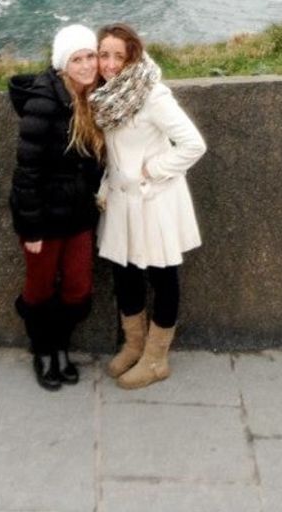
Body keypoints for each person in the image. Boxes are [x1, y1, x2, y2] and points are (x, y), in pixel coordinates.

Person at [92, 22, 206, 389]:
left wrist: (151, 170)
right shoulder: (107, 95)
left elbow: (193, 144)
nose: (109, 64)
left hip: (153, 200)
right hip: (122, 201)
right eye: (103, 55)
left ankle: (156, 358)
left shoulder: (151, 94)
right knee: (125, 274)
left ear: (133, 57)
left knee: (162, 275)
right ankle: (135, 344)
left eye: (118, 56)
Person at [8, 24, 104, 390]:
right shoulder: (45, 102)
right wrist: (30, 228)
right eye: (77, 59)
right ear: (63, 65)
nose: (86, 65)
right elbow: (26, 171)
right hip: (44, 218)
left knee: (78, 287)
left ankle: (61, 344)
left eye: (90, 56)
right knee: (41, 288)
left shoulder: (95, 97)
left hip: (77, 215)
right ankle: (43, 350)